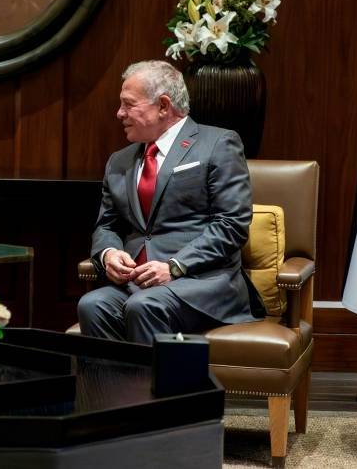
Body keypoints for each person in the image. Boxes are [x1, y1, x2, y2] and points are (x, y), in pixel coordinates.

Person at [78, 60, 263, 345]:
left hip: (201, 281)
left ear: (163, 106)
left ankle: (157, 378)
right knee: (92, 305)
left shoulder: (218, 144)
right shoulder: (119, 161)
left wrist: (175, 265)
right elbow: (106, 225)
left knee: (144, 305)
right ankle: (113, 378)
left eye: (129, 104)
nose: (119, 113)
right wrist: (108, 254)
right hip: (138, 282)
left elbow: (231, 224)